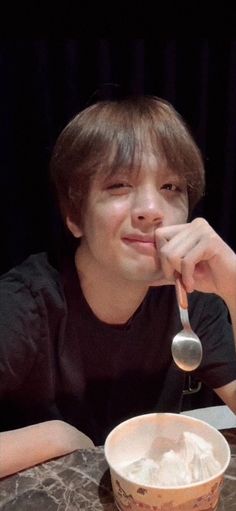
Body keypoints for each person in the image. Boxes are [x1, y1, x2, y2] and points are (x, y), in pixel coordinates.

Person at [1, 95, 236, 477]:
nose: (150, 208)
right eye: (119, 185)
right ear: (75, 216)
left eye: (171, 186)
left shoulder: (192, 297)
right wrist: (58, 438)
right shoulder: (26, 304)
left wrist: (234, 288)